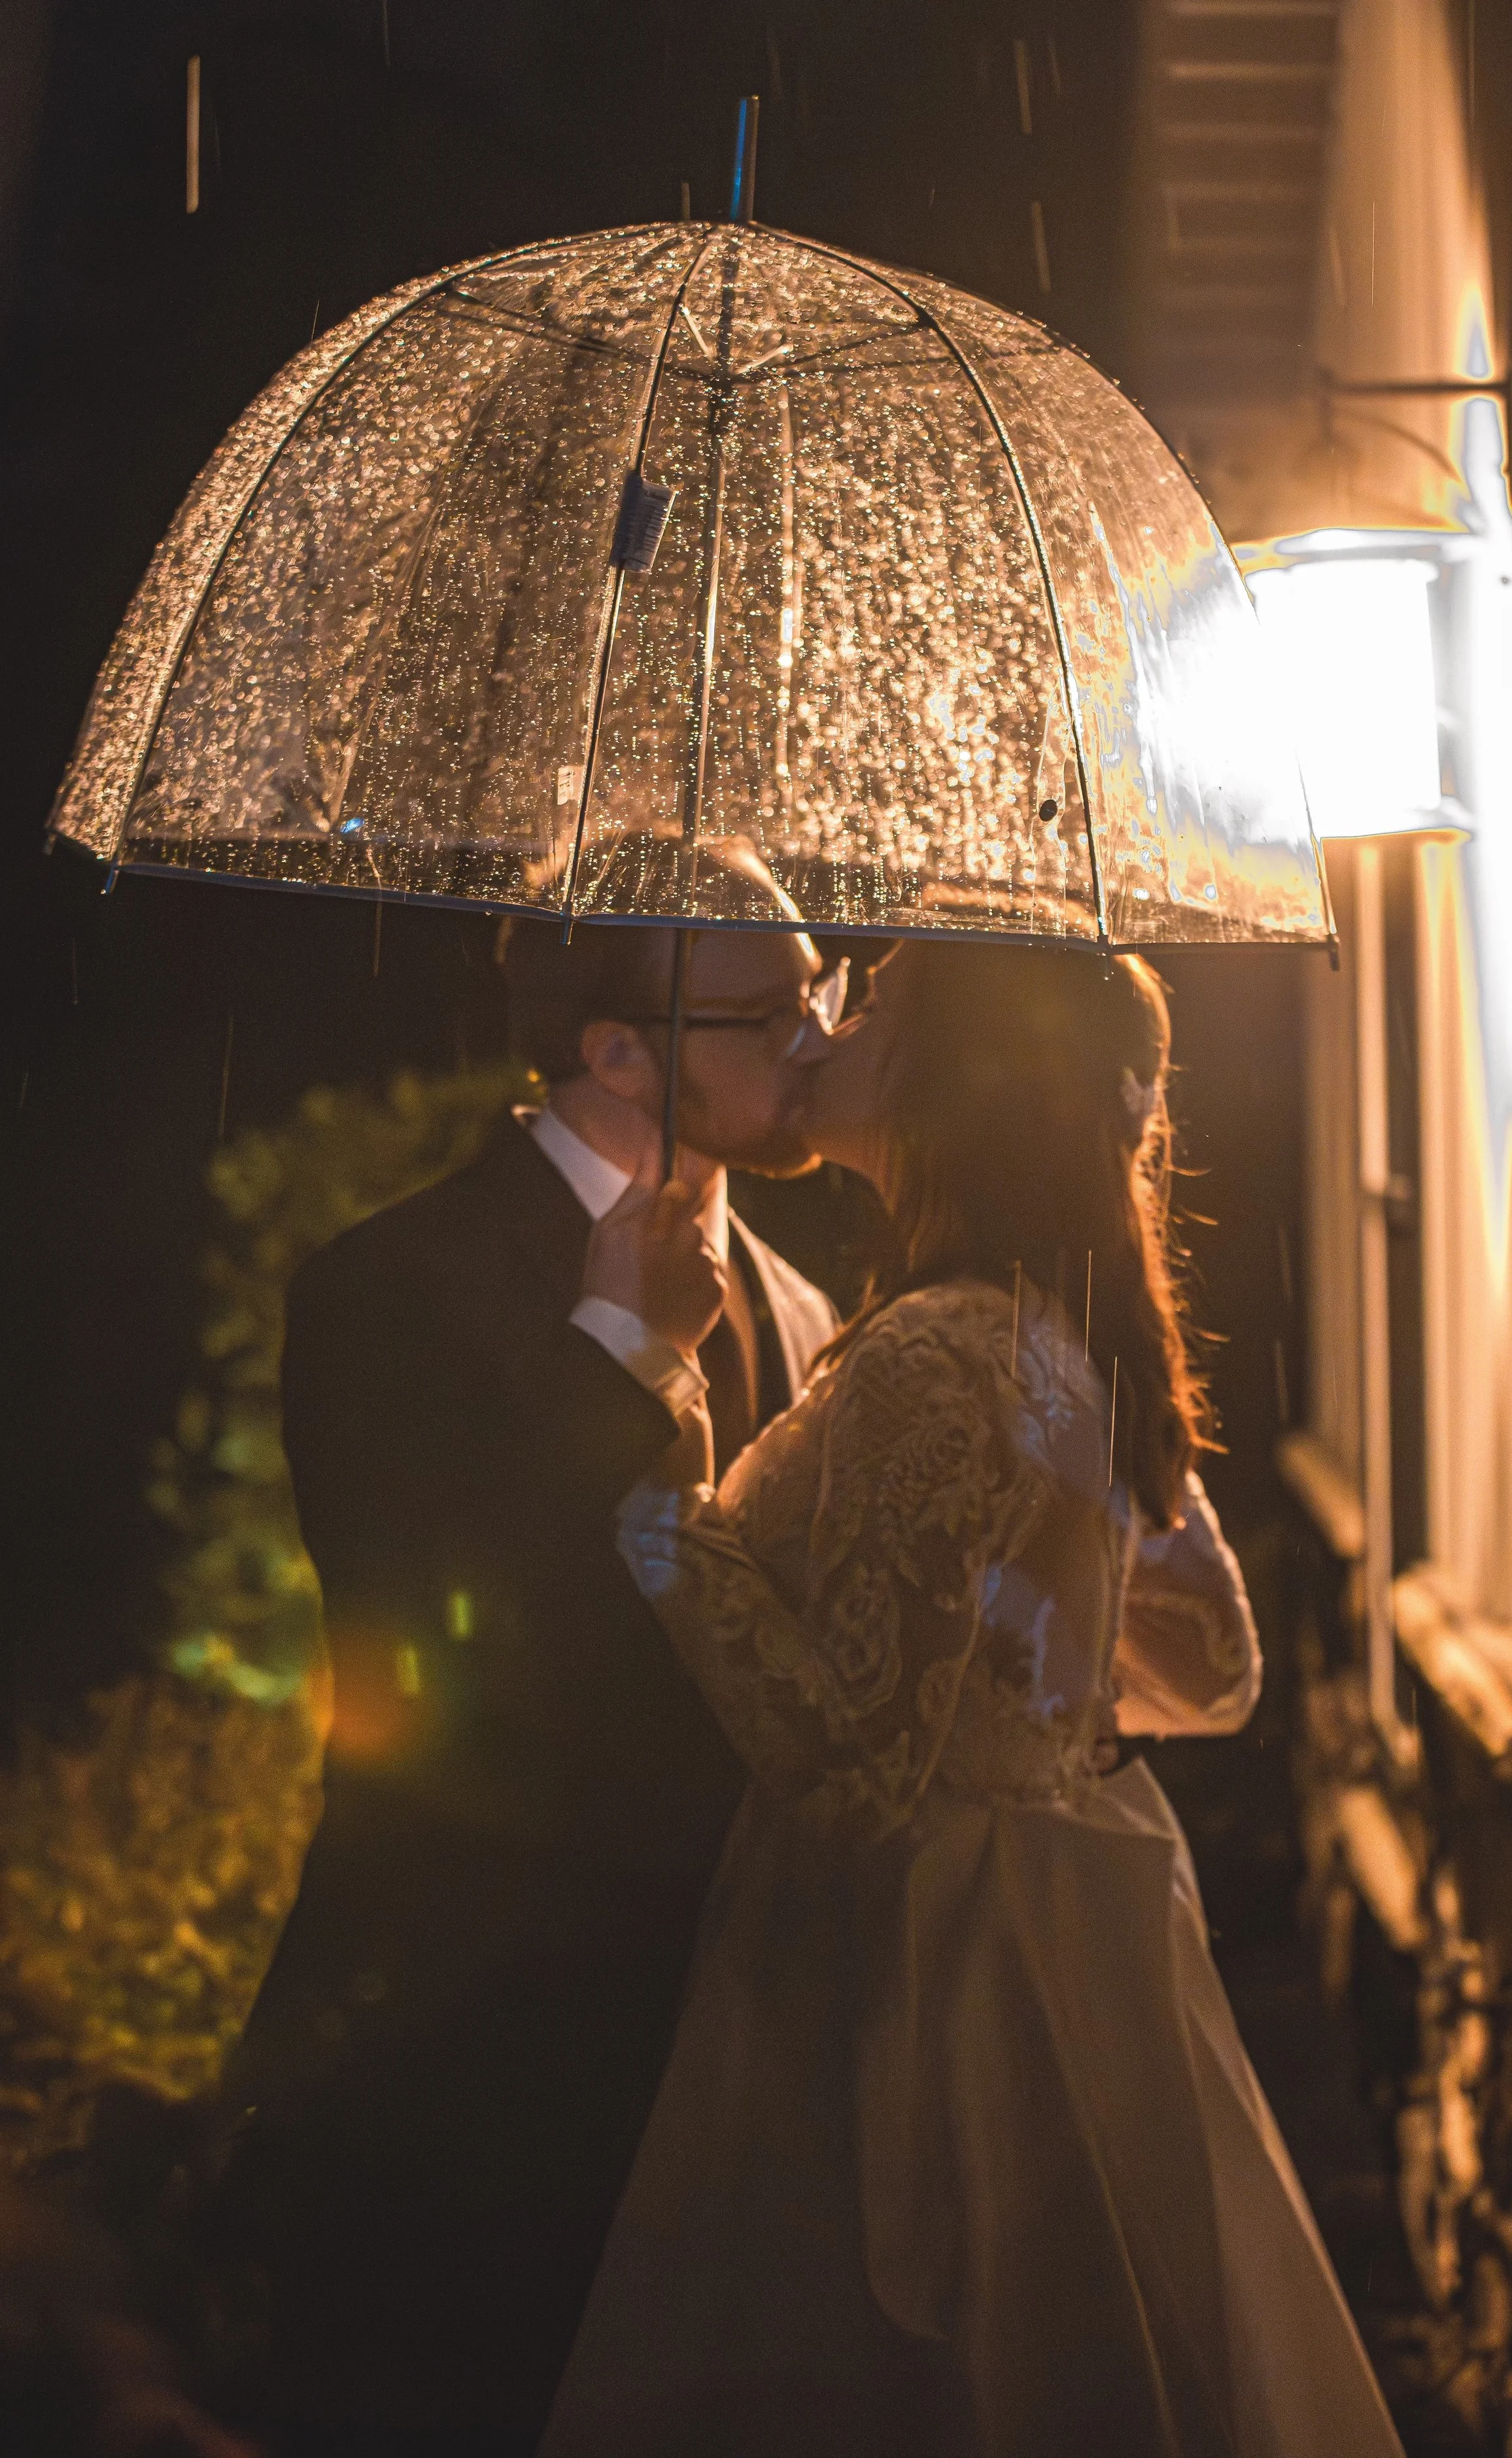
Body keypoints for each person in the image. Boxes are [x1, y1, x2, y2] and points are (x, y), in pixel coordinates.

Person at [543, 941, 1407, 2458]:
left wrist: (654, 1455)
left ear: (952, 1080)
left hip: (915, 1971)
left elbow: (855, 1768)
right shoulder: (1039, 1326)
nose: (826, 1020)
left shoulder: (942, 1349)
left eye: (866, 1000)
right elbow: (1216, 1671)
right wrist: (1029, 1678)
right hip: (1068, 1926)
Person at [206, 855, 841, 2458]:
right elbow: (434, 1645)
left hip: (750, 2053)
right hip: (482, 2063)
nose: (818, 1040)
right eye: (769, 1013)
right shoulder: (386, 1290)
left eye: (822, 992)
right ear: (616, 1052)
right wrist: (617, 1356)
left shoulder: (811, 1307)